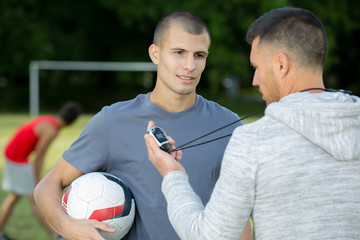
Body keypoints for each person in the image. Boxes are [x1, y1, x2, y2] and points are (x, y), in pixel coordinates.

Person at [144, 7, 360, 240]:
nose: (255, 81)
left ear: (280, 65)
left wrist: (172, 175)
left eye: (256, 67)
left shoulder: (253, 143)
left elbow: (208, 236)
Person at [34, 10, 251, 240]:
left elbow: (239, 216)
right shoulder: (112, 121)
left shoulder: (229, 125)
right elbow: (48, 185)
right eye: (179, 52)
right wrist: (66, 226)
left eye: (199, 55)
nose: (190, 65)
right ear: (155, 54)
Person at [0, 101, 82, 240]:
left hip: (14, 153)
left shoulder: (50, 121)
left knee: (17, 196)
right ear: (72, 122)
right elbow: (39, 157)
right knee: (35, 199)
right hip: (17, 157)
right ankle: (55, 235)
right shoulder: (50, 130)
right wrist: (37, 182)